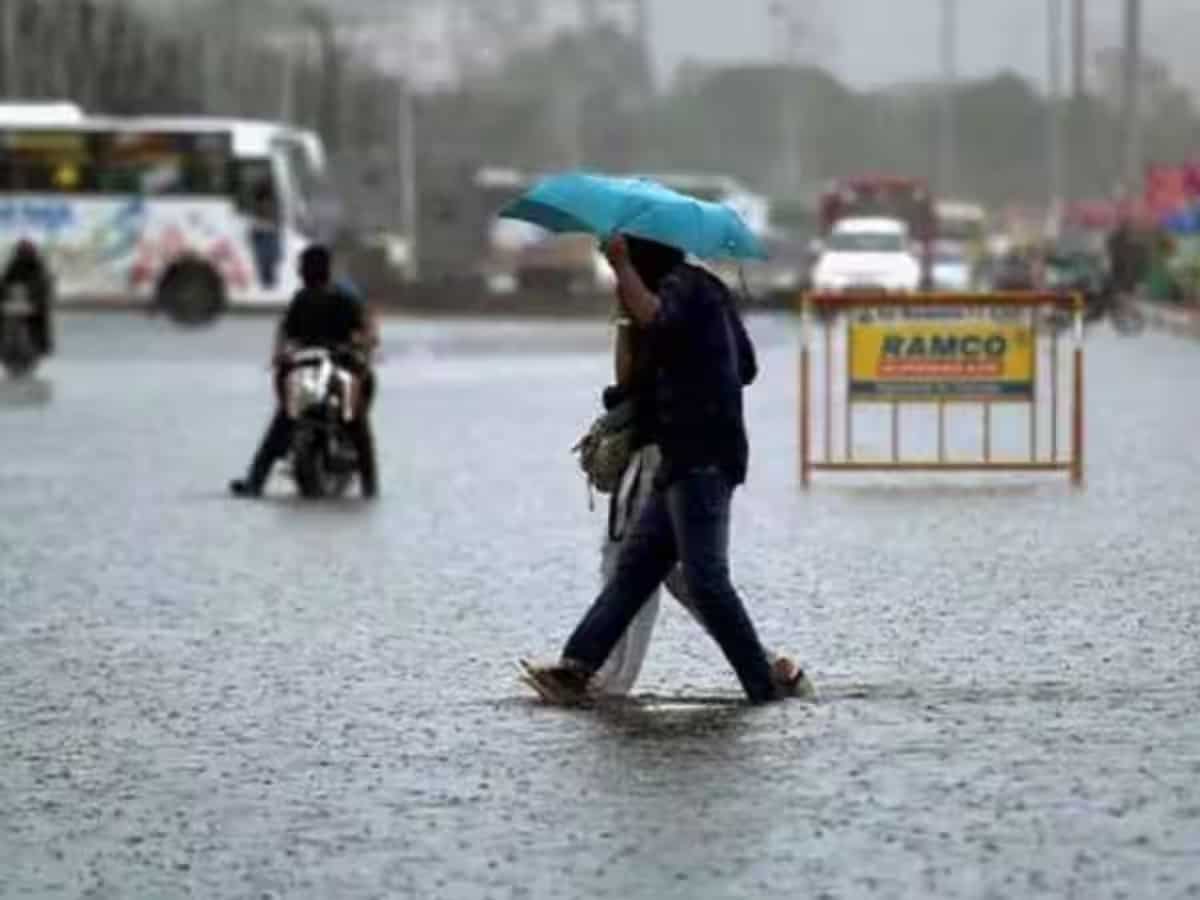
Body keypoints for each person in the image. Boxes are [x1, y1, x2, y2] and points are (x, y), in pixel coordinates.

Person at [526, 235, 807, 705]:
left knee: (705, 580)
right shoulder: (707, 290)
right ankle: (576, 667)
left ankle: (764, 686)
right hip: (682, 457)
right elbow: (746, 366)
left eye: (627, 257)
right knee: (635, 570)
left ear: (642, 257)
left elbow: (660, 320)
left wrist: (621, 269)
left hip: (702, 456)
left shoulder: (682, 289)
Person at [230, 245, 379, 499]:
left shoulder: (302, 299)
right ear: (327, 270)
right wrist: (363, 348)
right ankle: (370, 485)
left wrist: (280, 355)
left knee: (281, 424)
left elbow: (284, 335)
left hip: (310, 371)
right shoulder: (339, 300)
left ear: (304, 271)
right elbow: (367, 332)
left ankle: (255, 481)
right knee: (358, 426)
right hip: (332, 369)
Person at [1, 240, 55, 356]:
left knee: (41, 317)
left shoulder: (38, 266)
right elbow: (5, 281)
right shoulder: (14, 265)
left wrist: (37, 294)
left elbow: (44, 284)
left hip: (33, 302)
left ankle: (42, 344)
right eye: (22, 252)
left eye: (25, 252)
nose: (24, 254)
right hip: (14, 302)